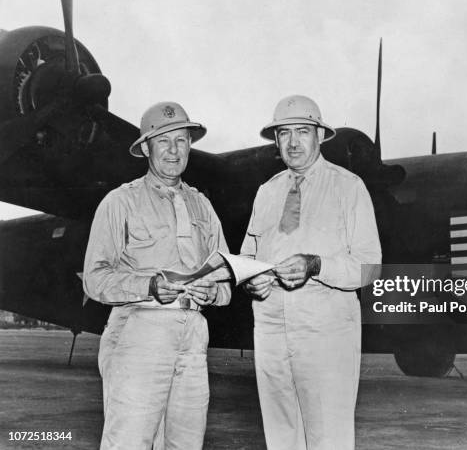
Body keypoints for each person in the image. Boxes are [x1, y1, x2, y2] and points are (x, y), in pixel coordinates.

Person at [83, 101, 231, 450]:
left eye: (181, 140)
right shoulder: (120, 202)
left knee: (186, 443)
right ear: (146, 147)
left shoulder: (202, 206)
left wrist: (214, 293)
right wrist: (149, 286)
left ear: (190, 146)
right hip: (140, 328)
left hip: (194, 335)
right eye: (163, 141)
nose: (173, 150)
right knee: (129, 443)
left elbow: (225, 274)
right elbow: (95, 277)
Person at [241, 95, 382, 450]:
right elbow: (248, 255)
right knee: (281, 437)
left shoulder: (348, 188)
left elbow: (370, 267)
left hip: (326, 335)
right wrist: (250, 279)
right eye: (283, 133)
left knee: (328, 439)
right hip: (271, 332)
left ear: (320, 134)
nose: (292, 143)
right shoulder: (267, 192)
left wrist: (316, 265)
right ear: (275, 141)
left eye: (302, 132)